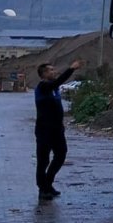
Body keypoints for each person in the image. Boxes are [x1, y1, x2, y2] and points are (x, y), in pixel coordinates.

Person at [33, 59, 83, 200]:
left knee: (61, 154)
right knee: (43, 160)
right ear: (43, 74)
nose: (54, 72)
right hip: (44, 130)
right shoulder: (43, 86)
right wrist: (71, 69)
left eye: (54, 70)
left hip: (57, 129)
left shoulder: (53, 89)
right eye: (50, 70)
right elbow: (58, 82)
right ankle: (43, 189)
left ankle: (48, 183)